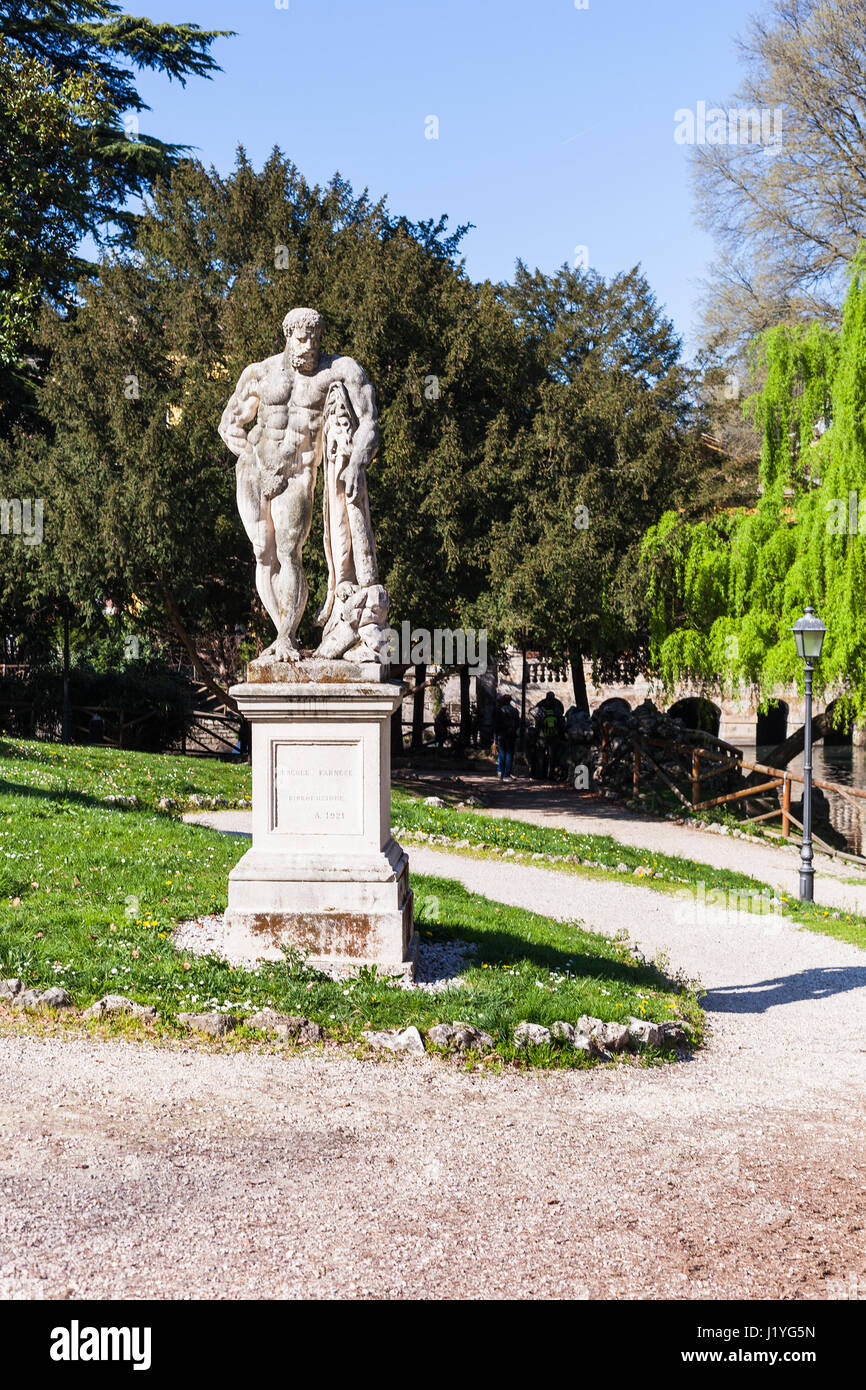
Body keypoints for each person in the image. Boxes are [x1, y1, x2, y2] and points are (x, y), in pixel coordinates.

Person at [494, 693, 519, 780]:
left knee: (502, 754)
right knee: (509, 754)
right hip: (511, 735)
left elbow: (496, 724)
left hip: (501, 734)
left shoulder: (500, 710)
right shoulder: (515, 711)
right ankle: (506, 774)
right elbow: (517, 724)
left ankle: (500, 772)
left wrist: (495, 737)